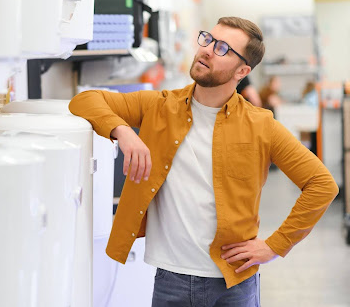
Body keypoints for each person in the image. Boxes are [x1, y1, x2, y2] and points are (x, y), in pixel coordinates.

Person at [69, 17, 338, 307]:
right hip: (170, 279)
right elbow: (84, 100)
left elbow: (322, 184)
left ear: (242, 71)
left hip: (234, 283)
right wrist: (123, 132)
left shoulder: (262, 125)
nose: (208, 49)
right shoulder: (159, 106)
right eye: (208, 39)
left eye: (223, 48)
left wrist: (274, 246)